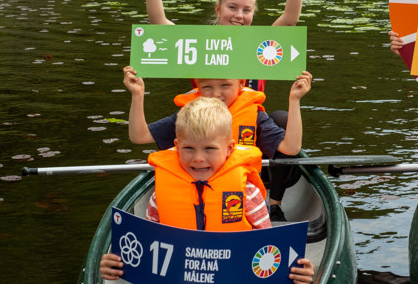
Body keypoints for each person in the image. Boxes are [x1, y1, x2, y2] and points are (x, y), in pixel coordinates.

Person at [100, 97, 314, 284]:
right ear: (176, 146)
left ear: (229, 148)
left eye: (210, 149)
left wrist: (297, 270)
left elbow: (268, 247)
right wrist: (117, 263)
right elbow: (146, 247)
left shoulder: (246, 192)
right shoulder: (161, 194)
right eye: (189, 148)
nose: (198, 158)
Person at [123, 66, 312, 221]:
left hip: (239, 196)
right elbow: (139, 136)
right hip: (187, 193)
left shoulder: (254, 116)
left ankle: (274, 207)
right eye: (207, 87)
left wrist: (294, 100)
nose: (216, 94)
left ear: (240, 84)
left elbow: (291, 148)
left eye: (224, 85)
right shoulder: (190, 116)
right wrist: (137, 95)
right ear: (197, 86)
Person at [137, 0, 307, 92]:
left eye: (246, 10)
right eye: (232, 8)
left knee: (281, 118)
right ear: (218, 10)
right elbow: (158, 22)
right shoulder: (199, 43)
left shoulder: (263, 44)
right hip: (206, 121)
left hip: (248, 121)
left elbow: (290, 19)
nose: (239, 15)